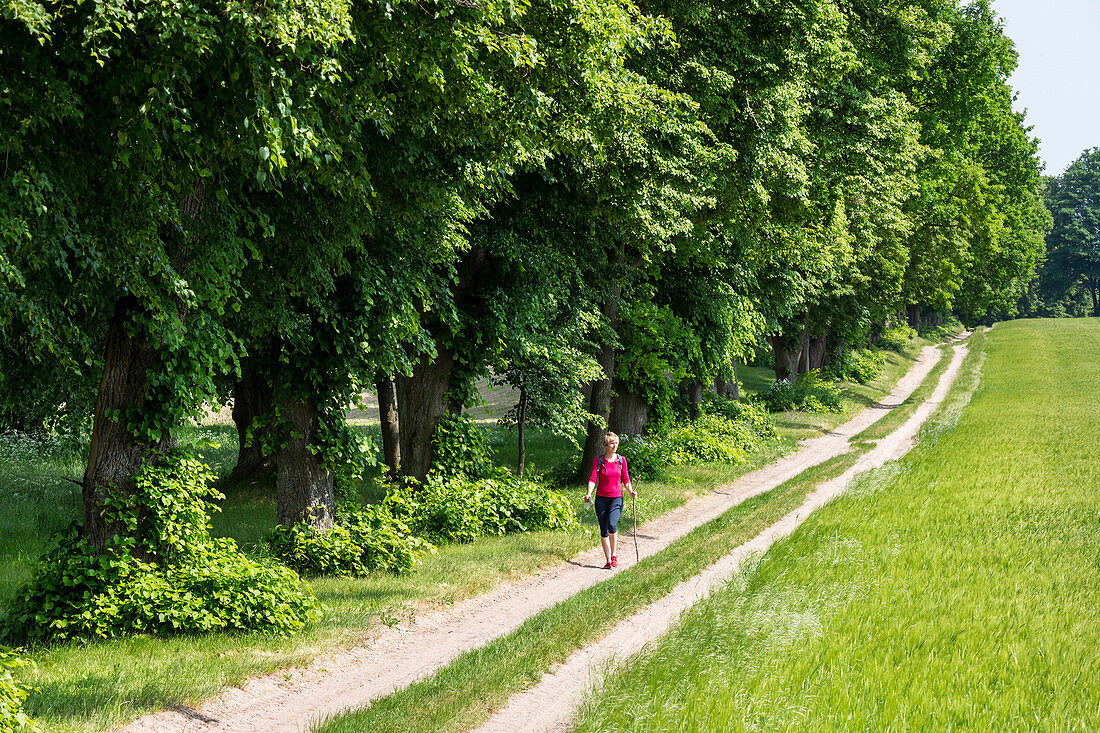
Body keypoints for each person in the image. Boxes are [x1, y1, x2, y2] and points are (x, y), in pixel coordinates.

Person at [585, 431, 635, 569]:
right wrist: (589, 493)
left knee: (612, 524)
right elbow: (593, 478)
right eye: (612, 443)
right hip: (601, 499)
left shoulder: (621, 460)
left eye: (616, 443)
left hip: (616, 498)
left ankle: (614, 555)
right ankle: (607, 560)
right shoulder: (599, 460)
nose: (615, 446)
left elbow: (625, 479)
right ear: (606, 445)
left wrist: (631, 491)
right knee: (603, 529)